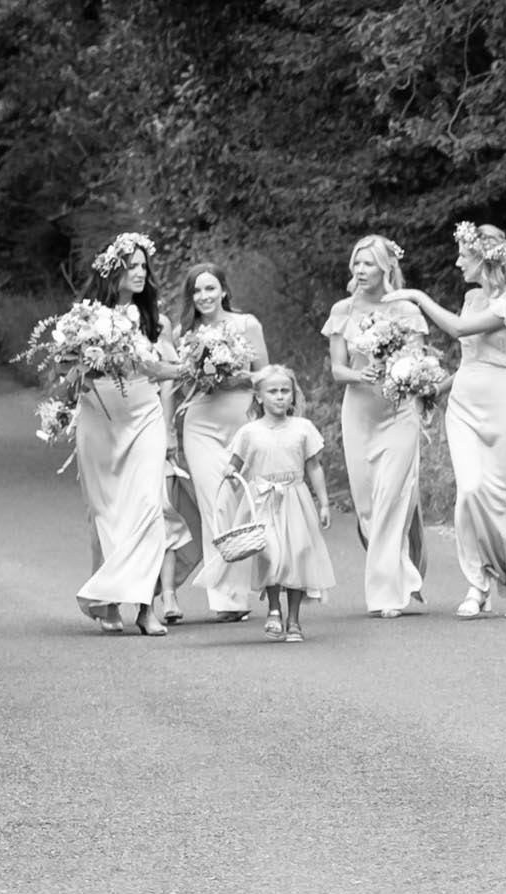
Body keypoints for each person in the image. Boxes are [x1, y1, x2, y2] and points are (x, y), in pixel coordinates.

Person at [386, 222, 506, 619]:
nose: (459, 262)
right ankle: (478, 583)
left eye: (464, 255)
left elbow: (461, 330)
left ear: (485, 257)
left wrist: (416, 296)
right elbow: (469, 358)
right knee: (470, 493)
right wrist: (435, 389)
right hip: (465, 404)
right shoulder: (471, 296)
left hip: (504, 400)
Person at [71, 231, 188, 636]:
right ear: (112, 271)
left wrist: (193, 368)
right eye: (132, 266)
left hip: (143, 415)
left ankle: (145, 607)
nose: (140, 273)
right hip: (99, 416)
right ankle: (107, 601)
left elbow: (157, 369)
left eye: (143, 266)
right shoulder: (85, 318)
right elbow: (68, 373)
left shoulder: (153, 318)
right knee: (106, 512)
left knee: (149, 506)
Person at [322, 235, 430, 618]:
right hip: (359, 414)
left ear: (387, 266)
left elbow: (418, 361)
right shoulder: (341, 310)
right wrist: (359, 373)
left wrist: (403, 375)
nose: (361, 270)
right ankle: (403, 574)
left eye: (368, 263)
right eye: (356, 263)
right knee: (368, 506)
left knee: (392, 498)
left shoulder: (404, 309)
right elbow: (337, 369)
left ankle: (386, 595)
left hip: (400, 412)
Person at [169, 262, 269, 622]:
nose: (204, 297)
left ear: (224, 291)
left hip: (241, 421)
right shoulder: (186, 332)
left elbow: (265, 376)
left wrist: (234, 374)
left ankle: (248, 586)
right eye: (196, 291)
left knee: (242, 503)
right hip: (201, 425)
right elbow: (179, 382)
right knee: (216, 504)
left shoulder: (246, 324)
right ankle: (227, 600)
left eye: (210, 289)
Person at [221, 366, 334, 642]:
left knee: (296, 556)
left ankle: (293, 620)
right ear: (259, 397)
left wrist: (324, 503)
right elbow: (235, 465)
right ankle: (274, 608)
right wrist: (230, 473)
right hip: (263, 499)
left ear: (293, 396)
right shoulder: (249, 432)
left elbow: (314, 467)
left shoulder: (302, 428)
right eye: (273, 392)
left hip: (295, 497)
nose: (280, 397)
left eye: (285, 391)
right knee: (271, 552)